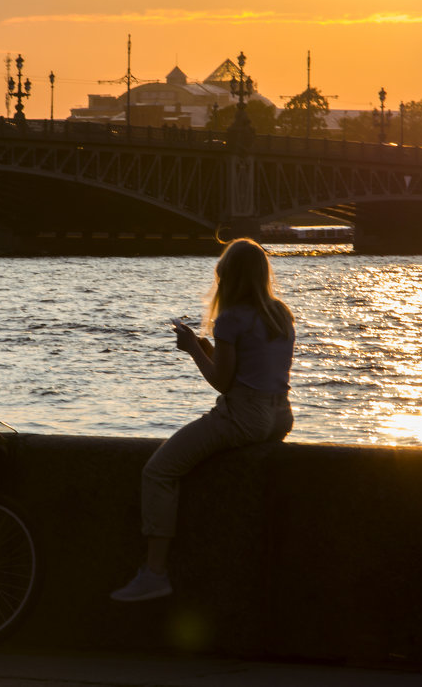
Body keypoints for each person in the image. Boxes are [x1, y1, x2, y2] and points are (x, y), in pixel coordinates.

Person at [111, 238, 295, 602]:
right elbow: (254, 367)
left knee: (158, 471)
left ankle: (155, 573)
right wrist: (211, 350)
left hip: (244, 415)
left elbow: (222, 382)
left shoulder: (230, 318)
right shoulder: (280, 314)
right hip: (280, 415)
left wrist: (193, 349)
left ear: (228, 277)